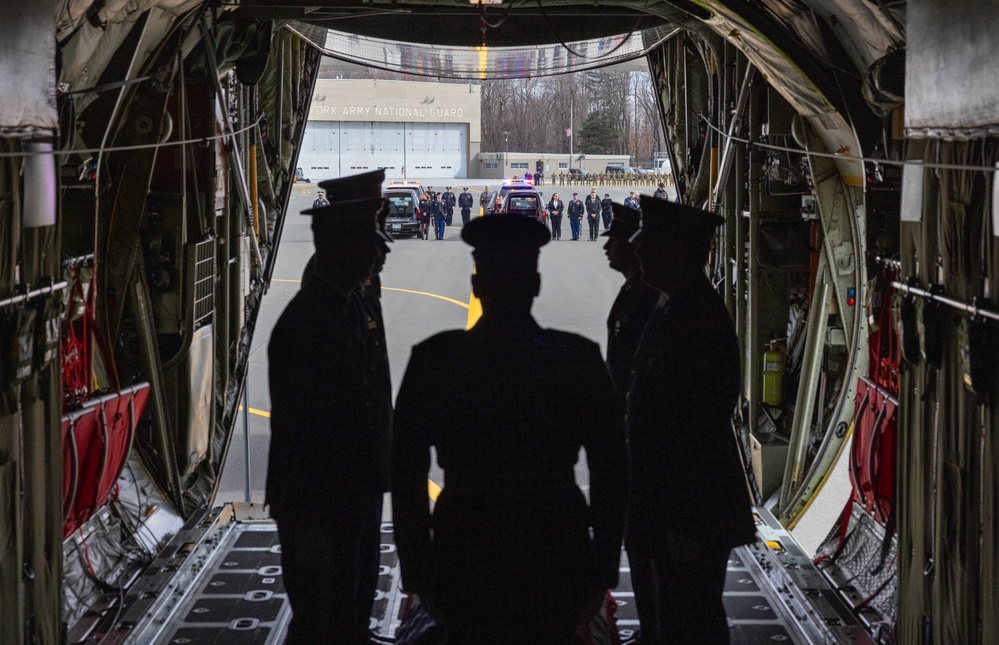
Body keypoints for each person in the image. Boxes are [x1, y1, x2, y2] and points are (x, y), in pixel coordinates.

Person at [392, 215, 628, 645]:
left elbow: (406, 472)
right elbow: (612, 470)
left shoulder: (435, 359)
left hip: (464, 545)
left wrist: (417, 569)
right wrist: (602, 569)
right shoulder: (578, 358)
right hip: (555, 545)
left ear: (476, 286)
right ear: (536, 285)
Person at [266, 169, 392, 645]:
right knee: (322, 612)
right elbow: (304, 434)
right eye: (367, 240)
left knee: (351, 599)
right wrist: (306, 523)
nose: (379, 251)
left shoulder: (345, 304)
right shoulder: (311, 324)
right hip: (322, 502)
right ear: (337, 247)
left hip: (351, 490)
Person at [626, 195, 755, 644]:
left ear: (678, 251)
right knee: (675, 619)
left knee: (690, 621)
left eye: (650, 242)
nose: (638, 249)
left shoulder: (694, 319)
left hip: (688, 511)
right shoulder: (676, 306)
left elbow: (693, 429)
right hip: (675, 508)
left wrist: (683, 524)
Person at [601, 202, 659, 397]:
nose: (606, 247)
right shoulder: (633, 290)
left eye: (614, 241)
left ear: (631, 246)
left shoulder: (647, 296)